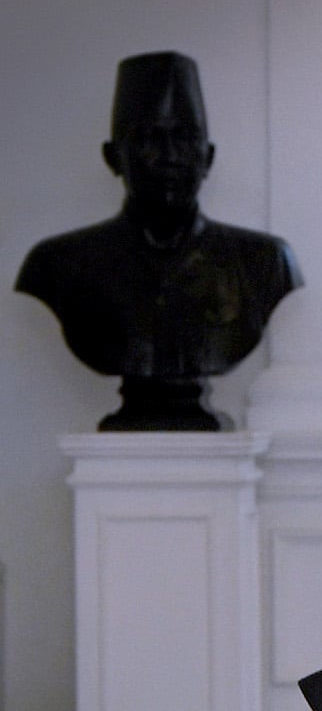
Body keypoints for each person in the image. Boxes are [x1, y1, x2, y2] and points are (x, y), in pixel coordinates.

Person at [14, 50, 301, 429]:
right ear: (113, 157)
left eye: (185, 138)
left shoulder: (264, 262)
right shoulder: (59, 265)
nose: (169, 157)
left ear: (208, 157)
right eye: (150, 138)